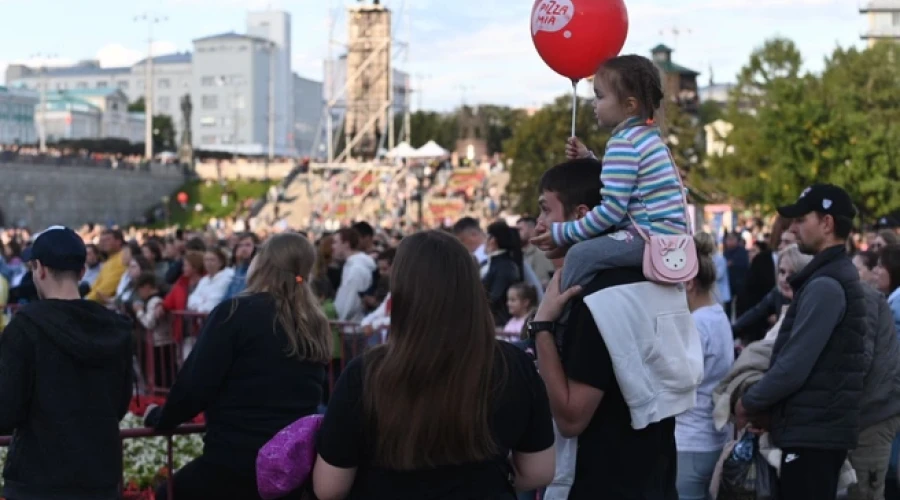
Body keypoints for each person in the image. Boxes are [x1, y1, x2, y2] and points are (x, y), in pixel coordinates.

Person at [313, 231, 555, 500]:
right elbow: (539, 470)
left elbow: (329, 487)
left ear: (403, 292)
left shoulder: (366, 374)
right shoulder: (514, 365)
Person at [531, 158, 687, 499]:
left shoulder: (598, 298)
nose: (538, 222)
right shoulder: (647, 279)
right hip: (652, 481)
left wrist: (541, 327)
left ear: (582, 215)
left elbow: (572, 418)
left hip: (601, 483)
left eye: (545, 209)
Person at [145, 232, 330, 500]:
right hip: (288, 467)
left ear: (263, 263)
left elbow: (196, 383)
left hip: (235, 460)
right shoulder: (314, 322)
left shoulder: (235, 313)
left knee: (168, 494)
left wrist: (161, 418)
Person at [735, 184, 868, 500]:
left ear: (827, 223)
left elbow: (794, 365)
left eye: (801, 219)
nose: (793, 228)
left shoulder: (827, 284)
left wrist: (748, 402)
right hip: (813, 432)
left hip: (814, 438)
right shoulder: (827, 277)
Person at [530, 54, 688, 291]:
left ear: (629, 105)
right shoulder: (648, 138)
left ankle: (557, 316)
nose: (594, 104)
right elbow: (629, 182)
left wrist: (564, 232)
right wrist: (589, 159)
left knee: (580, 255)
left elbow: (612, 210)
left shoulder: (622, 142)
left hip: (646, 237)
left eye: (600, 96)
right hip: (667, 237)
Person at [0, 226, 133, 500]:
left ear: (40, 269)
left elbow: (6, 410)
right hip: (100, 478)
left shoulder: (26, 327)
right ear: (82, 272)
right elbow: (120, 403)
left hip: (38, 480)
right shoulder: (115, 328)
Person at [676, 232, 735, 499]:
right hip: (711, 437)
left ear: (688, 282)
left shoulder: (697, 324)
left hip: (690, 441)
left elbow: (679, 381)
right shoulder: (717, 315)